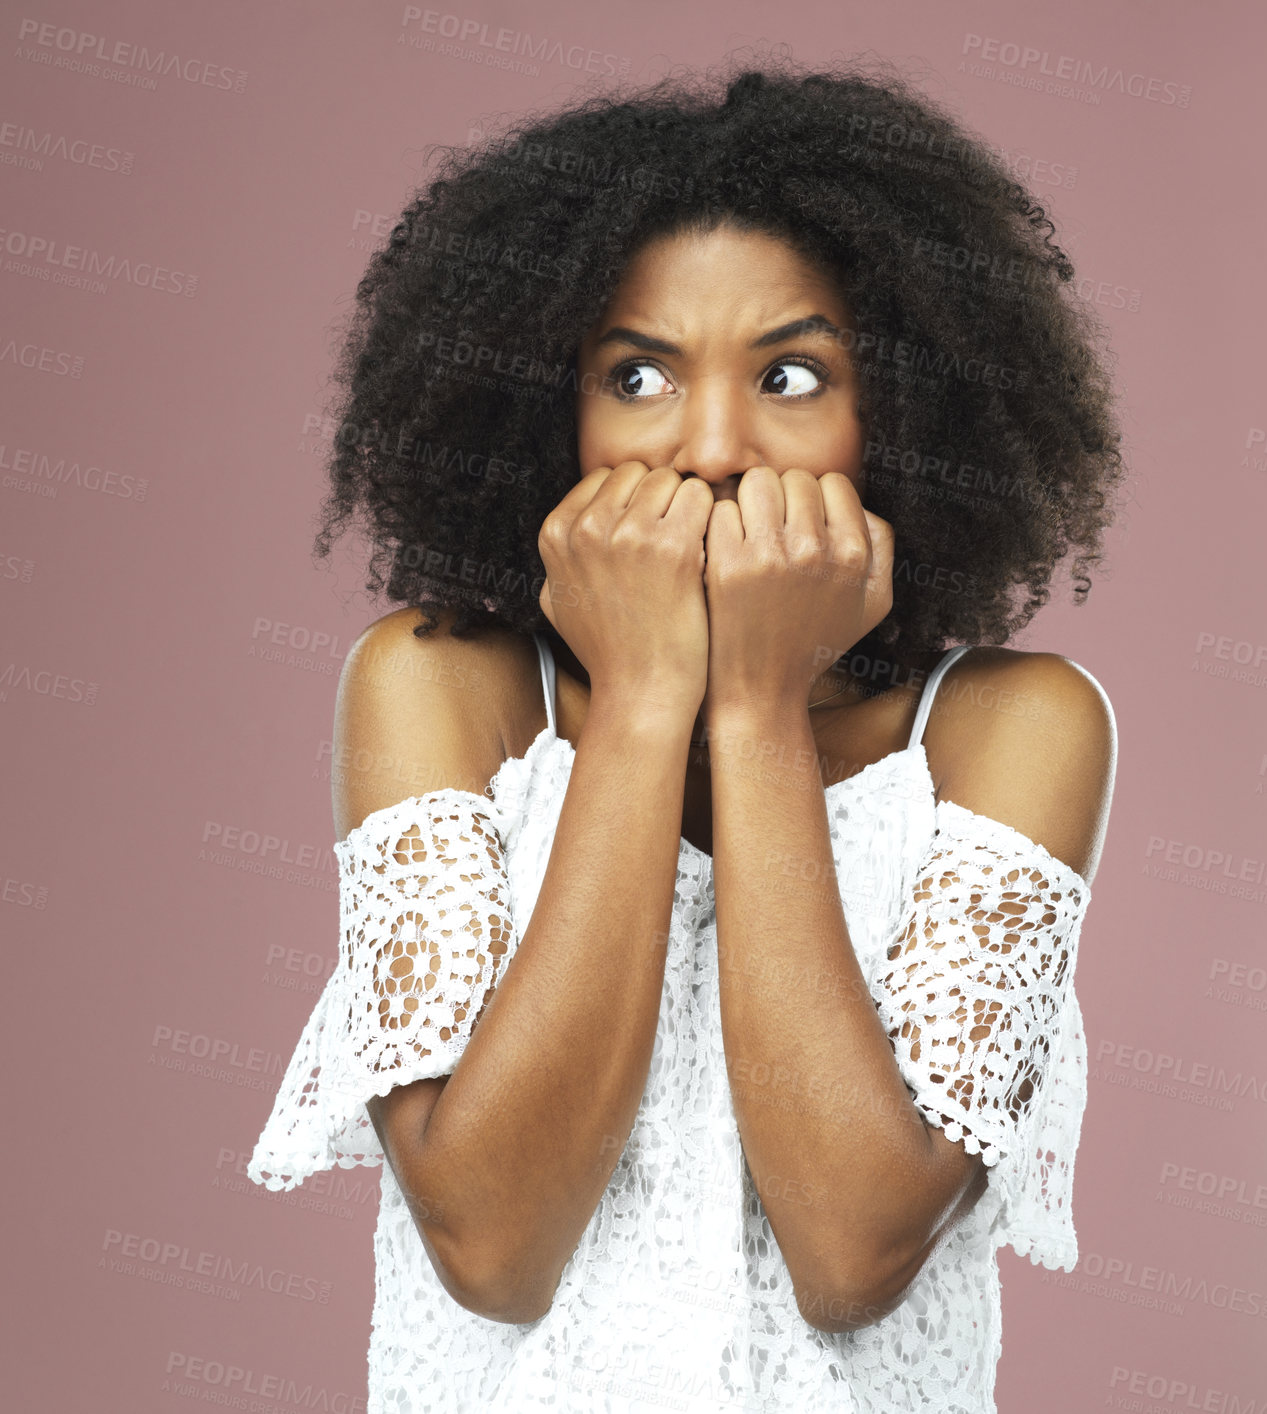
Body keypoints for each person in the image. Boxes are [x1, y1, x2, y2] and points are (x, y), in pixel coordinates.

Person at [248, 54, 1122, 1414]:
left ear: (896, 408)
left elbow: (850, 1251)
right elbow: (490, 1242)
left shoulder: (1011, 728)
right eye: (639, 375)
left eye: (788, 374)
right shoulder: (440, 690)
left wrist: (759, 701)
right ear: (552, 412)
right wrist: (646, 700)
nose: (712, 447)